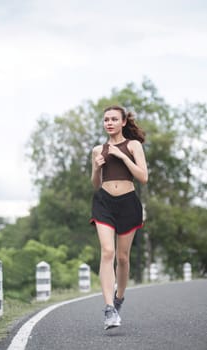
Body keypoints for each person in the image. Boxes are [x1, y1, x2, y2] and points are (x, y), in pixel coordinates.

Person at [90, 105, 148, 330]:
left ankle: (118, 299)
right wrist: (96, 168)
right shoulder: (98, 149)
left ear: (123, 122)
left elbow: (143, 177)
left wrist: (122, 156)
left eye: (114, 119)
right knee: (107, 252)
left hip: (128, 204)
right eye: (106, 120)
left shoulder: (133, 145)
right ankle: (108, 309)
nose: (109, 123)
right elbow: (95, 184)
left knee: (122, 258)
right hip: (104, 202)